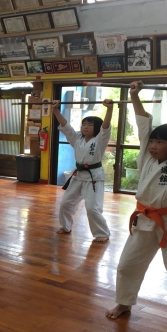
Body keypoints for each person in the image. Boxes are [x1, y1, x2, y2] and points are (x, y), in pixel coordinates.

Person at [105, 81, 167, 332]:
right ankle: (124, 302)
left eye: (160, 142)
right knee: (127, 265)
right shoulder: (146, 158)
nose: (153, 146)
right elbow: (142, 126)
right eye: (153, 142)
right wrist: (134, 95)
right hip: (144, 219)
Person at [52, 99, 113, 243]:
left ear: (96, 127)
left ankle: (102, 232)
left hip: (94, 177)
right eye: (84, 124)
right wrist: (55, 110)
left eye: (90, 125)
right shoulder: (77, 138)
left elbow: (105, 127)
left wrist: (109, 109)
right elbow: (66, 126)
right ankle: (66, 226)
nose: (85, 127)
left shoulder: (100, 140)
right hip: (78, 175)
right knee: (65, 203)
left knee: (92, 207)